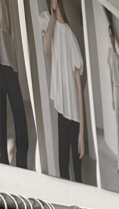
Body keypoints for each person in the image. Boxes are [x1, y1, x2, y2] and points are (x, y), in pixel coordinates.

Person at [40, 0, 84, 182]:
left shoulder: (70, 36)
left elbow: (79, 89)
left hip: (75, 116)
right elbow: (46, 48)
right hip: (62, 111)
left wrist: (82, 134)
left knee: (78, 172)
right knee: (63, 169)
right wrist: (52, 17)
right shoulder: (46, 20)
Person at [0, 0, 29, 168]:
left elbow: (13, 33)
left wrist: (16, 66)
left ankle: (22, 165)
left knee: (20, 116)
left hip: (9, 61)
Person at [107, 23, 119, 173]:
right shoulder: (110, 55)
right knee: (117, 126)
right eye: (110, 36)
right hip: (114, 89)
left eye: (112, 35)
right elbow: (110, 77)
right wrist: (112, 98)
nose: (111, 38)